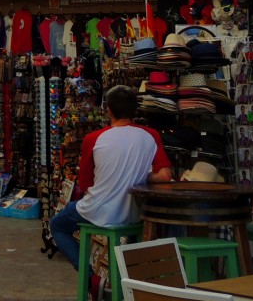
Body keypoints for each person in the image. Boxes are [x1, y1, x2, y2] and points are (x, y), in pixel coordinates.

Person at [49, 85, 172, 270]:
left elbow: (85, 184)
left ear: (109, 110)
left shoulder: (94, 138)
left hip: (97, 210)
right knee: (132, 234)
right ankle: (128, 278)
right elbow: (165, 175)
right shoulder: (151, 135)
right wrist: (138, 175)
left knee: (57, 226)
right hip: (133, 213)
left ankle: (88, 276)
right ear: (135, 110)